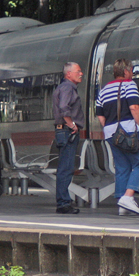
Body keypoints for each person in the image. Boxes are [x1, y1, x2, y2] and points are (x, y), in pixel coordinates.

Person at [95, 58, 139, 215]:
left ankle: (122, 206)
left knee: (122, 167)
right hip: (128, 130)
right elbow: (134, 107)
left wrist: (111, 129)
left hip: (110, 133)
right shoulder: (129, 85)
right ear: (127, 71)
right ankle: (128, 197)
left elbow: (100, 117)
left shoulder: (103, 90)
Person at [52, 61, 85, 214]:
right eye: (78, 71)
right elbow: (64, 107)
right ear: (69, 74)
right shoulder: (67, 87)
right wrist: (72, 125)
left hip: (63, 131)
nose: (81, 73)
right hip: (67, 132)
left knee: (65, 167)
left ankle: (64, 201)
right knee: (66, 167)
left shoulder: (63, 87)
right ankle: (64, 203)